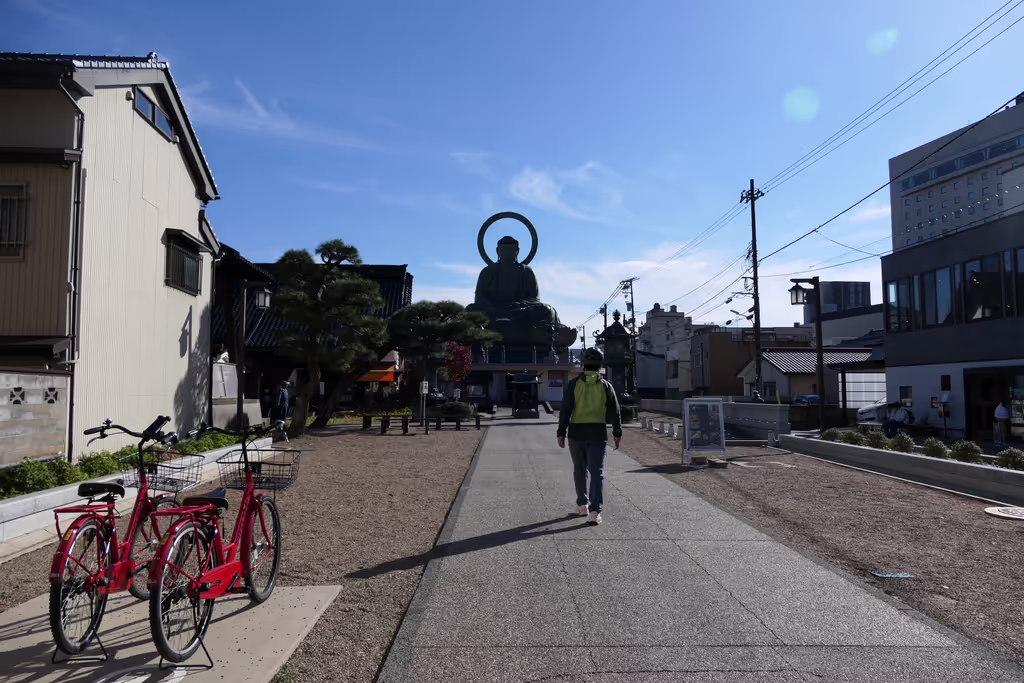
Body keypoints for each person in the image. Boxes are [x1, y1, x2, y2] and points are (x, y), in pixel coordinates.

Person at [556, 348, 622, 525]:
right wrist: (617, 432)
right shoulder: (606, 386)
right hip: (597, 433)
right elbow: (615, 411)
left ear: (583, 364)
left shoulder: (574, 384)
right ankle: (594, 511)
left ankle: (582, 505)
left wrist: (561, 432)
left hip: (576, 433)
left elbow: (566, 410)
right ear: (600, 364)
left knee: (579, 470)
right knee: (597, 472)